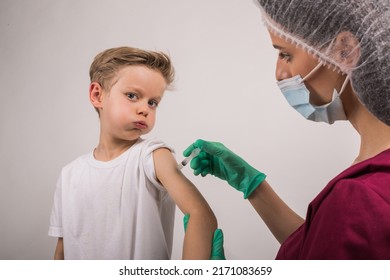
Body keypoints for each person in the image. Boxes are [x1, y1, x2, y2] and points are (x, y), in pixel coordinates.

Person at [184, 0, 390, 259]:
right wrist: (253, 185)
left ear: (345, 51)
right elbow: (322, 245)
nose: (279, 73)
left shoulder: (358, 197)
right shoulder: (374, 179)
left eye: (285, 54)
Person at [48, 46, 222, 260]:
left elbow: (201, 216)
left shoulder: (153, 157)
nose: (145, 109)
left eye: (153, 102)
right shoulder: (69, 175)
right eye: (132, 95)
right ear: (97, 95)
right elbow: (61, 252)